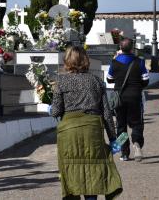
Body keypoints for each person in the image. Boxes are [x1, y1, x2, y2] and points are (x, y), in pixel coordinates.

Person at [51, 46, 123, 200]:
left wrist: (49, 108)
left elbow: (56, 112)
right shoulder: (95, 81)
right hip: (92, 131)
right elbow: (106, 113)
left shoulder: (61, 82)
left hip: (68, 132)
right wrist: (113, 139)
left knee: (71, 172)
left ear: (67, 60)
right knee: (93, 173)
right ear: (85, 60)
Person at [106, 38, 149, 161]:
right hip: (135, 97)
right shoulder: (139, 62)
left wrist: (118, 79)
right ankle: (137, 143)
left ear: (120, 48)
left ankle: (124, 153)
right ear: (132, 48)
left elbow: (109, 79)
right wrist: (138, 86)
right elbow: (146, 80)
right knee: (137, 123)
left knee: (121, 125)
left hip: (119, 98)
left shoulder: (114, 62)